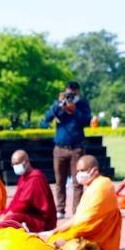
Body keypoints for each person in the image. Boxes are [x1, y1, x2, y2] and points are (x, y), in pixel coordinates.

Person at [48, 156, 122, 250]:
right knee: (55, 238)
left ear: (95, 170)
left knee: (53, 242)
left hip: (96, 235)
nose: (78, 174)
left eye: (82, 170)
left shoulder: (101, 186)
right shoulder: (98, 184)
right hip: (93, 229)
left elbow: (84, 220)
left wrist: (62, 233)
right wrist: (58, 230)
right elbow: (81, 216)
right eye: (77, 171)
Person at [42, 81, 92, 218]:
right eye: (69, 92)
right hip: (60, 148)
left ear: (78, 92)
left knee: (78, 182)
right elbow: (47, 118)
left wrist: (75, 109)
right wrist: (59, 104)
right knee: (60, 181)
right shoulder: (59, 105)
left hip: (77, 148)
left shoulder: (82, 104)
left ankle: (76, 211)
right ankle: (60, 209)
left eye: (73, 92)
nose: (70, 95)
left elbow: (87, 121)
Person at [0, 149, 56, 232]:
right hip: (28, 213)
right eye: (13, 164)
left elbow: (23, 204)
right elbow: (16, 200)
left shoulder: (35, 177)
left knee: (11, 218)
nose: (15, 166)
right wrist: (5, 213)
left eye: (17, 163)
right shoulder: (23, 177)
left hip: (40, 219)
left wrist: (7, 215)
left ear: (26, 161)